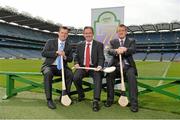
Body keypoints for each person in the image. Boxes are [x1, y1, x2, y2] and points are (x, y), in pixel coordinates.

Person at [104, 24, 138, 112]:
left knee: (132, 77)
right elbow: (108, 50)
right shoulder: (113, 42)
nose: (121, 32)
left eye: (123, 30)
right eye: (119, 31)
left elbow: (133, 49)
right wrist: (116, 51)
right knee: (109, 75)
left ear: (126, 32)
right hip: (116, 66)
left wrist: (125, 49)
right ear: (117, 32)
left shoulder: (131, 40)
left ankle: (134, 103)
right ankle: (110, 99)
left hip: (128, 66)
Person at [73, 26, 105, 112]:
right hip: (82, 67)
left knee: (98, 77)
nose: (88, 35)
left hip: (94, 68)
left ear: (93, 34)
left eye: (89, 33)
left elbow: (101, 58)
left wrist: (100, 66)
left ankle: (96, 100)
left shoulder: (99, 44)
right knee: (75, 78)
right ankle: (81, 94)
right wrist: (76, 63)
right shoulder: (79, 45)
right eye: (86, 33)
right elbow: (75, 56)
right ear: (83, 34)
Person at [41, 26, 73, 109]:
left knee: (70, 74)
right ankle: (49, 99)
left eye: (66, 33)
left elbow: (70, 59)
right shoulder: (50, 42)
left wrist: (65, 56)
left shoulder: (69, 45)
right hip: (49, 66)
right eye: (62, 33)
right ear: (58, 33)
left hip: (62, 67)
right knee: (48, 74)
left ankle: (64, 95)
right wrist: (56, 52)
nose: (64, 35)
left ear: (67, 35)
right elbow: (44, 53)